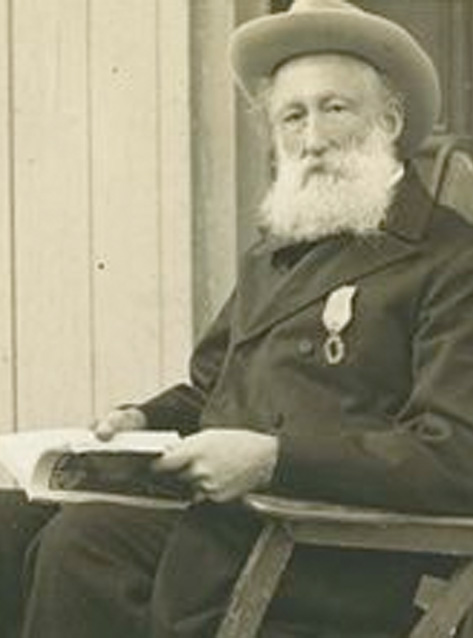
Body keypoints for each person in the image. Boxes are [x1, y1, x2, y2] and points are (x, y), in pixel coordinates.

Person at [4, 0, 473, 636]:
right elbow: (212, 391)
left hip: (331, 552)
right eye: (292, 116)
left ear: (389, 121)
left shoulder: (451, 260)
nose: (312, 138)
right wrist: (145, 419)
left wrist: (275, 458)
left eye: (336, 109)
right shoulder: (278, 253)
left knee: (86, 544)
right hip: (232, 526)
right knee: (13, 522)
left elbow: (457, 457)